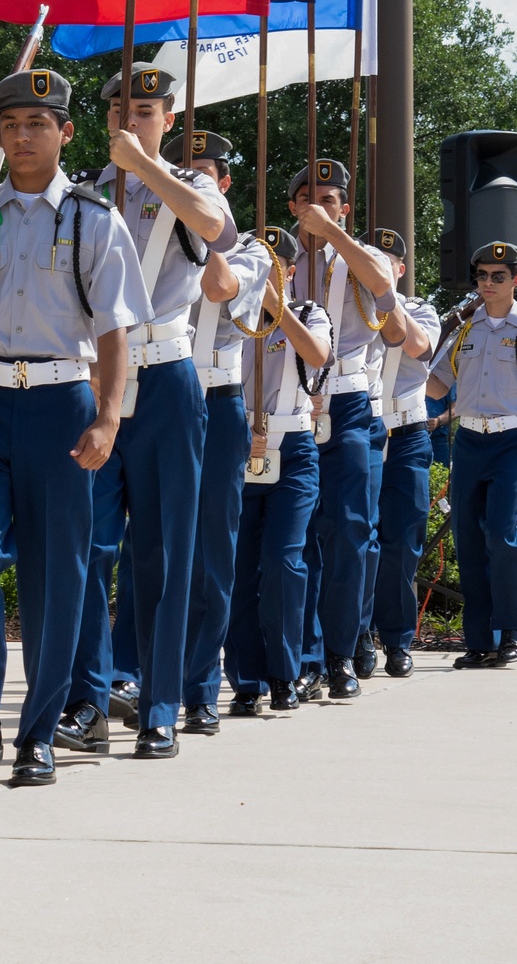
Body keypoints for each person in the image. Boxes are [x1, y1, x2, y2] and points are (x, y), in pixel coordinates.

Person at [0, 68, 150, 788]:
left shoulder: (92, 219)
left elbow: (114, 331)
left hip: (61, 406)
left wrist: (109, 417)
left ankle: (37, 733)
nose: (23, 135)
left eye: (37, 124)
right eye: (11, 124)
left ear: (65, 133)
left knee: (57, 576)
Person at [57, 64, 235, 762]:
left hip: (166, 378)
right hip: (97, 383)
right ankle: (92, 699)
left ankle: (163, 706)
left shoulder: (187, 186)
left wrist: (145, 166)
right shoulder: (83, 198)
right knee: (88, 549)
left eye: (148, 111)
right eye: (123, 112)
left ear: (168, 119)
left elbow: (214, 226)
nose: (133, 121)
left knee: (164, 553)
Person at [162, 130, 269, 739]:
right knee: (145, 542)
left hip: (217, 399)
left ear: (223, 185)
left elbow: (220, 288)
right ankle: (131, 674)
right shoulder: (139, 236)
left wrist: (202, 228)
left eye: (202, 173)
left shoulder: (252, 250)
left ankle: (200, 686)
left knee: (210, 552)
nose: (189, 178)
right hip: (153, 392)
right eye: (180, 169)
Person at [428, 240, 517, 669]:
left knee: (503, 532)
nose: (488, 283)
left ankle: (513, 629)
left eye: (498, 276)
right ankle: (480, 639)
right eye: (482, 277)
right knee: (468, 538)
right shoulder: (464, 332)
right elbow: (435, 385)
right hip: (470, 441)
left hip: (513, 440)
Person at [288, 160, 394, 701]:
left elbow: (383, 287)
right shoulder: (279, 255)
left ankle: (342, 650)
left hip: (351, 402)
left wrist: (331, 235)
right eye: (307, 198)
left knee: (350, 529)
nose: (316, 206)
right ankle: (305, 656)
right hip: (293, 406)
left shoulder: (360, 254)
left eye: (329, 200)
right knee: (299, 534)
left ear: (345, 207)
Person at [224, 228, 331, 714]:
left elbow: (317, 356)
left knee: (285, 562)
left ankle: (285, 673)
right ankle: (246, 679)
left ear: (289, 271)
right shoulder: (232, 318)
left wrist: (277, 308)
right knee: (239, 568)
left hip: (292, 448)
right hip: (239, 447)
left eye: (276, 266)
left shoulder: (308, 314)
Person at [361, 230, 440, 678]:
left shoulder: (421, 310)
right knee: (358, 539)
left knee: (401, 544)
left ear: (400, 269)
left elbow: (415, 346)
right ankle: (357, 636)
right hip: (362, 430)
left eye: (386, 261)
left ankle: (396, 640)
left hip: (407, 435)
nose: (378, 267)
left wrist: (386, 300)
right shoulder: (348, 312)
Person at [427, 384, 456, 466]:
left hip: (437, 441)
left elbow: (456, 408)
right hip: (410, 439)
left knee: (440, 476)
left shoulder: (444, 375)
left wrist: (438, 421)